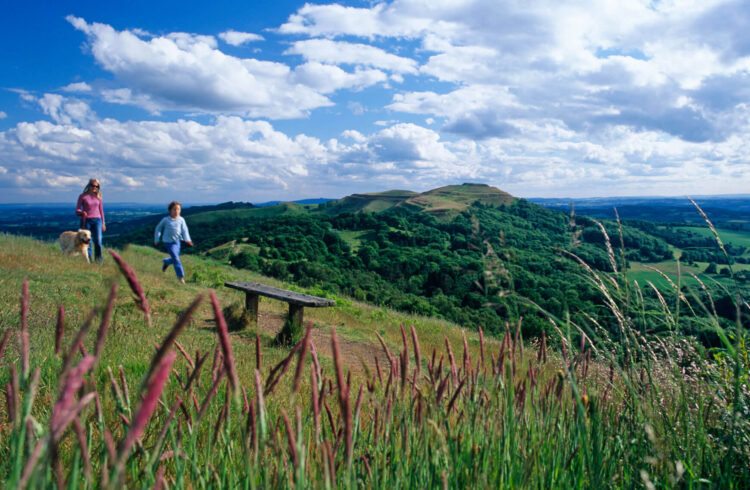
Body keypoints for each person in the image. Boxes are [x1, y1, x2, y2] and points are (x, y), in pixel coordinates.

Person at [154, 201, 193, 284]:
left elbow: (185, 230)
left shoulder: (181, 220)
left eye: (178, 209)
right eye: (174, 209)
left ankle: (166, 261)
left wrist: (188, 239)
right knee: (176, 259)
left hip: (177, 243)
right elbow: (158, 228)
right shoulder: (166, 220)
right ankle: (180, 277)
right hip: (168, 242)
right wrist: (157, 239)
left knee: (175, 258)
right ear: (170, 210)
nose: (177, 211)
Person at [75, 178, 106, 264]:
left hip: (97, 221)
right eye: (93, 185)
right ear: (89, 185)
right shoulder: (82, 196)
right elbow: (77, 210)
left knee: (98, 241)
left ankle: (99, 262)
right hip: (86, 221)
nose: (94, 187)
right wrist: (81, 212)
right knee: (87, 242)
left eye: (97, 186)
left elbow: (101, 211)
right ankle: (88, 261)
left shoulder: (98, 197)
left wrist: (103, 223)